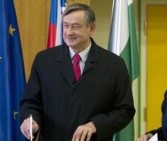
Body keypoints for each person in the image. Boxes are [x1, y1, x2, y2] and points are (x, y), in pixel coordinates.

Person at [19, 3, 135, 141]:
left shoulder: (114, 64)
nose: (68, 32)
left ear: (91, 29)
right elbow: (30, 103)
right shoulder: (44, 60)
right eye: (65, 25)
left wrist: (95, 125)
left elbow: (125, 110)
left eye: (75, 26)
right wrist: (32, 122)